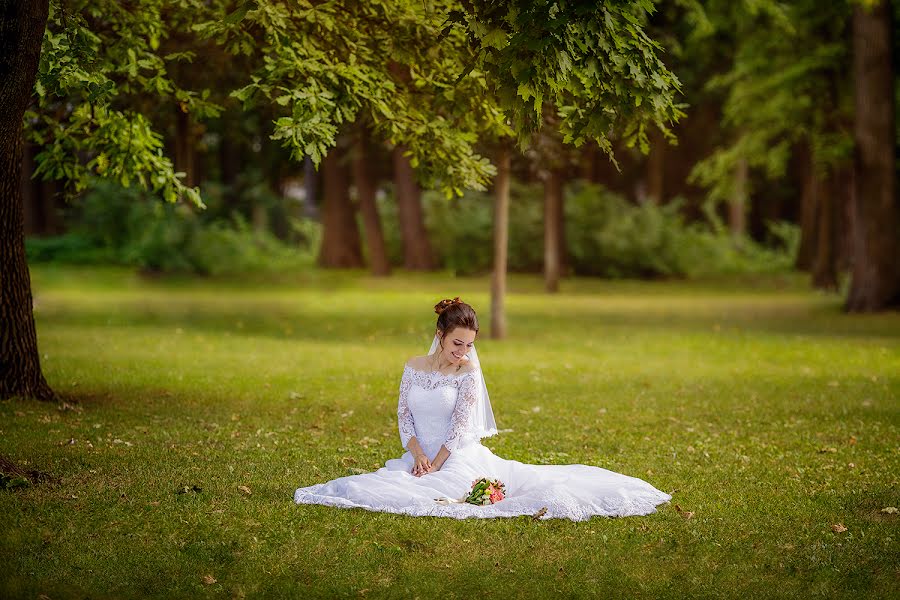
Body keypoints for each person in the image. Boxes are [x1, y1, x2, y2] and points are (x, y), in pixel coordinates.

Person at [293, 298, 671, 520]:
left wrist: (436, 463)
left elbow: (459, 428)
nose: (463, 352)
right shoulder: (412, 366)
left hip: (454, 455)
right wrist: (418, 455)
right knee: (389, 484)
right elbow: (403, 415)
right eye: (457, 343)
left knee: (440, 491)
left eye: (469, 345)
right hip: (420, 453)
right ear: (440, 335)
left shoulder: (468, 373)